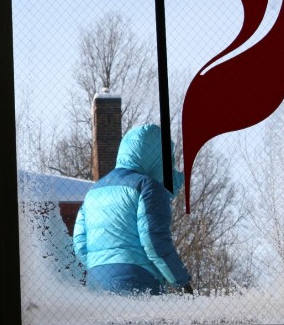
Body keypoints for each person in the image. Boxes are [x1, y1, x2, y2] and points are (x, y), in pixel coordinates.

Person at [72, 123, 193, 296]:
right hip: (137, 283)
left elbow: (80, 245)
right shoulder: (147, 187)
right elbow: (155, 241)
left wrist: (102, 269)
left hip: (96, 287)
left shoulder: (93, 192)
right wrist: (182, 281)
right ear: (157, 158)